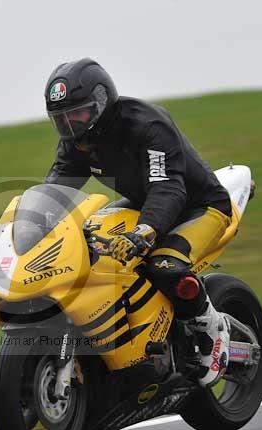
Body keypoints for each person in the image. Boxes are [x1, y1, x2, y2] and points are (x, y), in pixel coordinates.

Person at [44, 57, 232, 386]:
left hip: (198, 204)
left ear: (101, 103)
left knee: (163, 265)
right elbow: (57, 187)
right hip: (143, 202)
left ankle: (211, 326)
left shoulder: (147, 125)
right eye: (62, 118)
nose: (71, 124)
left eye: (78, 113)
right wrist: (35, 223)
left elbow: (168, 187)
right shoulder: (77, 142)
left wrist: (143, 232)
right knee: (92, 248)